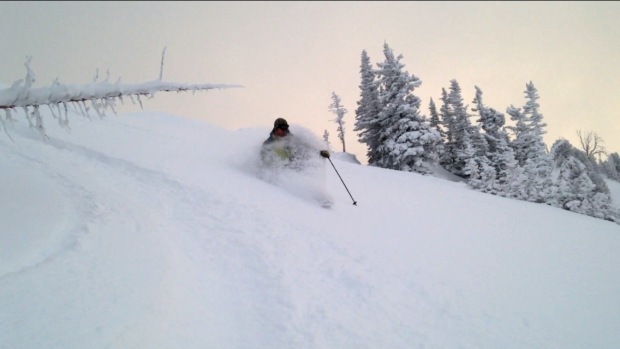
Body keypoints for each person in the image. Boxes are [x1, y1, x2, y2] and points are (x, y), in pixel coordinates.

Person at [261, 118, 330, 168]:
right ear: (276, 128)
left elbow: (306, 147)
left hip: (293, 168)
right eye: (283, 128)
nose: (285, 130)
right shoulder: (268, 143)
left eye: (286, 128)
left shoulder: (291, 138)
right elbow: (264, 160)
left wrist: (319, 152)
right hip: (278, 171)